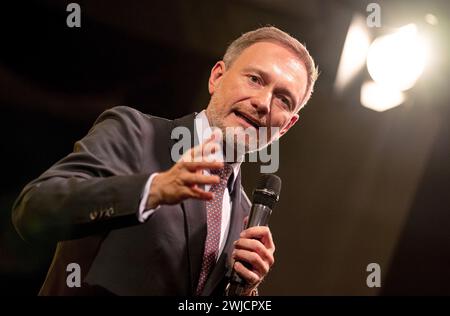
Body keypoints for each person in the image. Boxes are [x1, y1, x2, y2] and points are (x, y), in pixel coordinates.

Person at [12, 26, 318, 296]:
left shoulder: (246, 217)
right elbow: (34, 209)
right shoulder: (135, 132)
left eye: (283, 99)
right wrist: (153, 190)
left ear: (287, 125)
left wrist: (246, 291)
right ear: (217, 77)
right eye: (254, 79)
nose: (263, 103)